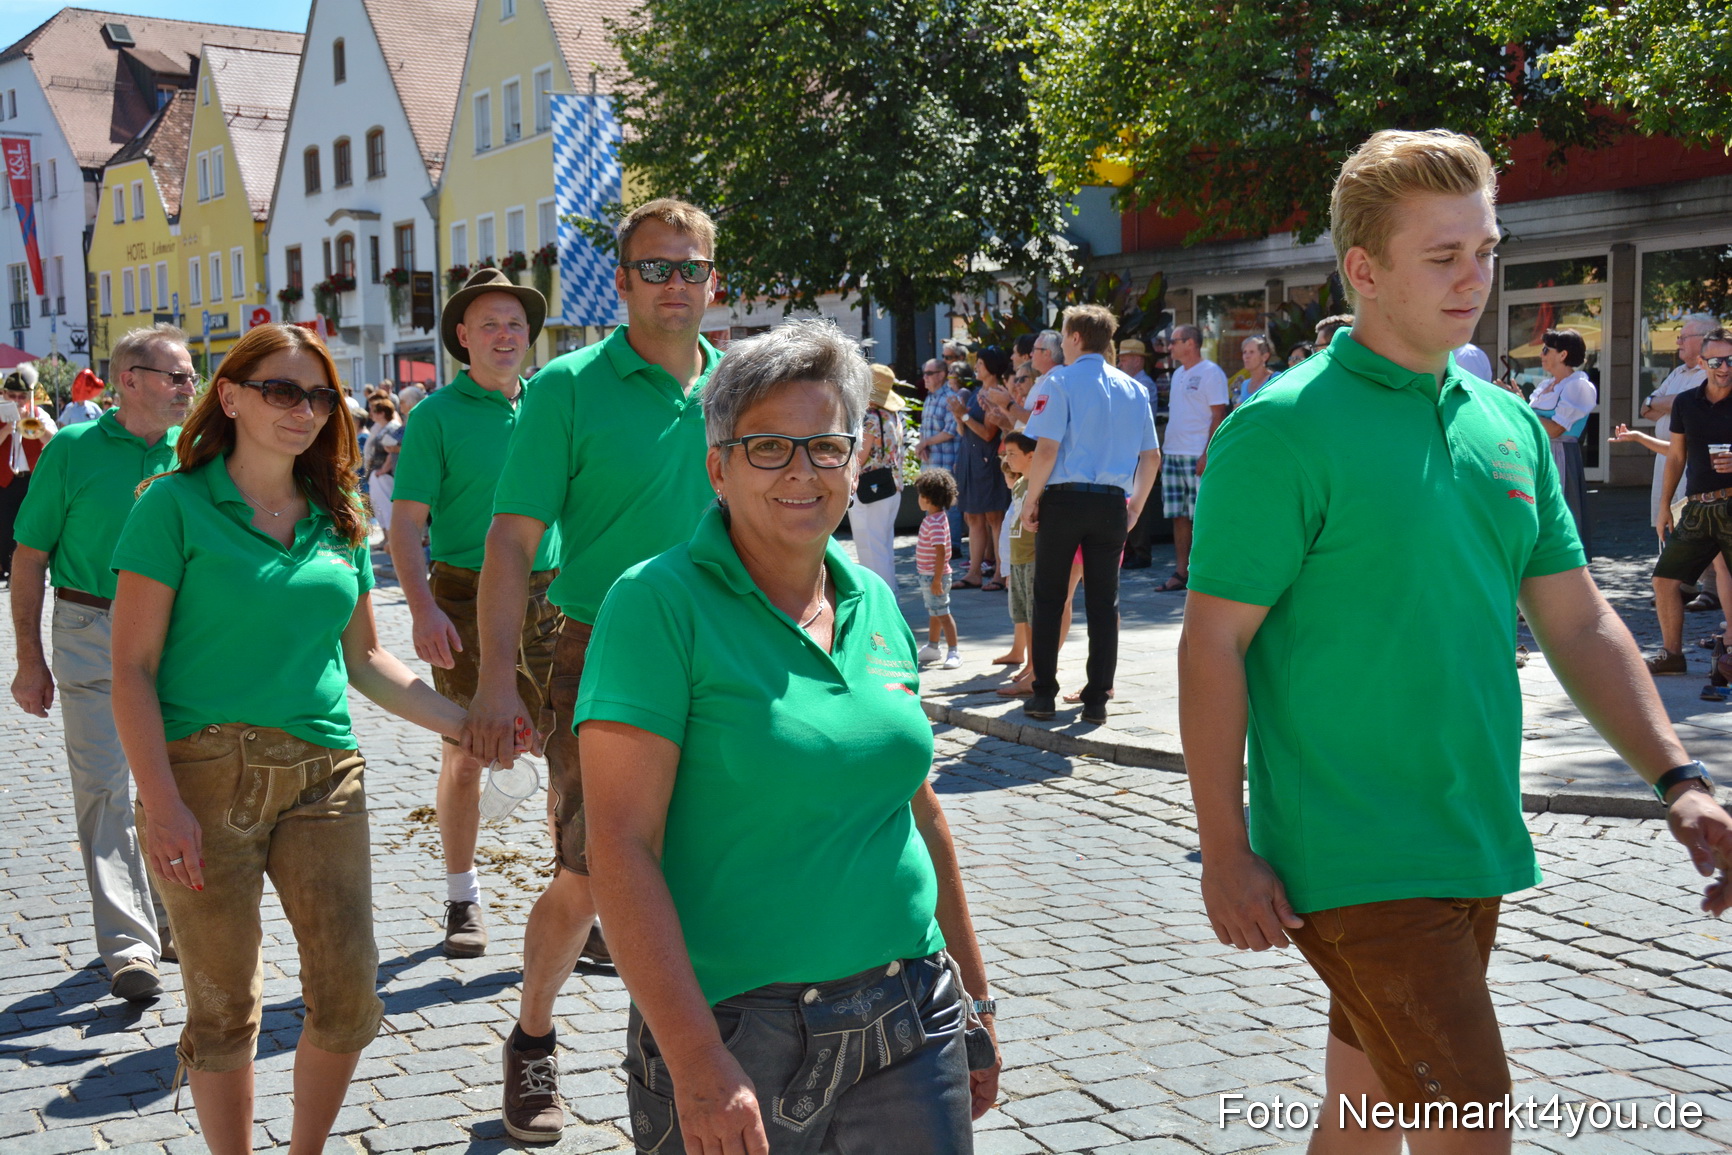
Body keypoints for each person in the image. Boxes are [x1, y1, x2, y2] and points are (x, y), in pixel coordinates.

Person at [1181, 129, 1732, 1147]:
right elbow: (1210, 646)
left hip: (1470, 835)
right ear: (1363, 270)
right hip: (1353, 853)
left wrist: (1677, 775)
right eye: (1442, 256)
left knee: (1360, 1115)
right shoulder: (1280, 430)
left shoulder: (1508, 424)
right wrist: (1223, 848)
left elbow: (1577, 618)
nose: (1475, 277)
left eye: (1484, 248)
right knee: (1469, 1131)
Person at [578, 320, 999, 1154]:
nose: (802, 471)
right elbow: (620, 846)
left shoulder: (875, 600)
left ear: (856, 459)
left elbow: (918, 813)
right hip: (740, 1033)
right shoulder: (656, 606)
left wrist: (976, 1000)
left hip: (911, 1013)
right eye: (768, 446)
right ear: (718, 467)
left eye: (826, 445)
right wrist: (696, 1058)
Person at [109, 323, 474, 1155]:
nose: (303, 409)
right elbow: (130, 669)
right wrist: (160, 803)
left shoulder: (339, 515)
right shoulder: (172, 504)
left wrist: (469, 728)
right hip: (201, 776)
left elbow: (368, 662)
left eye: (316, 395)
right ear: (230, 396)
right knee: (224, 1003)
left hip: (324, 776)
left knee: (348, 994)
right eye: (280, 389)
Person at [461, 198, 723, 1144]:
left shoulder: (738, 387)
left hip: (726, 653)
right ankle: (532, 1034)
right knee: (594, 871)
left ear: (712, 280)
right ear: (620, 282)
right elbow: (510, 539)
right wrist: (496, 680)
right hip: (599, 654)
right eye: (655, 267)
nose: (674, 283)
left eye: (690, 267)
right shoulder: (566, 387)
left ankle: (695, 1045)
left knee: (719, 857)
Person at [9, 324, 193, 1001]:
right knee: (104, 786)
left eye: (190, 375)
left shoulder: (199, 451)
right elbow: (29, 557)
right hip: (91, 625)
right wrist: (30, 659)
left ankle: (174, 917)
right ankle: (129, 943)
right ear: (130, 379)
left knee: (180, 782)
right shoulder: (72, 450)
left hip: (183, 631)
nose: (189, 386)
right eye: (175, 375)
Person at [390, 267, 562, 957]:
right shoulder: (436, 415)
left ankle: (574, 896)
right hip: (462, 592)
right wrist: (423, 607)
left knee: (568, 752)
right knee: (466, 752)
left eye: (515, 325)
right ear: (462, 337)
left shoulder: (552, 402)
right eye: (489, 324)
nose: (504, 335)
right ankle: (463, 898)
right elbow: (405, 526)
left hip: (553, 593)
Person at [1021, 304, 1161, 722]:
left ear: (1077, 337)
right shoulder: (1133, 388)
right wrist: (1134, 506)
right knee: (1104, 602)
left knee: (1049, 596)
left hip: (1064, 499)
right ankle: (1097, 698)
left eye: (1064, 336)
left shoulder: (1059, 380)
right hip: (1110, 503)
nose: (1062, 343)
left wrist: (1031, 499)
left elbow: (1046, 449)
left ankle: (1043, 693)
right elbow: (1151, 457)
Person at [1648, 328, 1732, 675]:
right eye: (1716, 361)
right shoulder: (1686, 402)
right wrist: (1664, 506)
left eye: (1730, 360)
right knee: (1664, 580)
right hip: (1697, 506)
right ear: (1702, 362)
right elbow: (1676, 457)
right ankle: (1672, 656)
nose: (1724, 367)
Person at [1157, 324, 1228, 592]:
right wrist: (1165, 452)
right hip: (1174, 454)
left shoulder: (1211, 373)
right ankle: (1180, 572)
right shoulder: (1177, 375)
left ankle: (1206, 572)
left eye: (1174, 341)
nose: (1170, 346)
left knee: (1203, 515)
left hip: (1197, 455)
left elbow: (1219, 415)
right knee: (1178, 516)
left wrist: (1207, 453)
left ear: (1191, 344)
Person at [1528, 327, 1597, 554]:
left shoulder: (1577, 385)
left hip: (1559, 456)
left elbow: (1555, 429)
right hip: (1538, 454)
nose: (1542, 354)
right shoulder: (1545, 386)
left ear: (1563, 355)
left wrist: (1521, 410)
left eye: (1546, 349)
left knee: (1557, 512)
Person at [948, 349, 1011, 589]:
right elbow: (965, 430)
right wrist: (958, 415)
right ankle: (974, 571)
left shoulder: (995, 395)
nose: (977, 367)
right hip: (969, 457)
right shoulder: (976, 393)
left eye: (982, 363)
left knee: (995, 516)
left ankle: (999, 573)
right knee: (972, 516)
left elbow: (987, 433)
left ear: (992, 367)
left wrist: (963, 416)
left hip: (987, 460)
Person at [0, 365, 59, 582]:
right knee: (5, 528)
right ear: (3, 394)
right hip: (4, 480)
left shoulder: (37, 413)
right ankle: (8, 568)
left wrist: (31, 424)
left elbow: (54, 442)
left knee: (32, 526)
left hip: (32, 479)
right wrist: (8, 428)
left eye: (22, 396)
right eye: (12, 395)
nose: (17, 400)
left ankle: (34, 568)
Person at [851, 363, 906, 589]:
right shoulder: (893, 416)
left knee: (870, 549)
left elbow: (860, 458)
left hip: (869, 489)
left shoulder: (870, 419)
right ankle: (890, 596)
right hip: (892, 486)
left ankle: (881, 601)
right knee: (884, 547)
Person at [994, 432, 1039, 689]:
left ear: (1031, 456)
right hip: (1018, 559)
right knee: (1023, 616)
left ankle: (1035, 666)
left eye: (1012, 454)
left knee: (1035, 618)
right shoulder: (1020, 484)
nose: (1007, 459)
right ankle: (1028, 665)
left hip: (1032, 557)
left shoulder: (1038, 484)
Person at [915, 467, 961, 669]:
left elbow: (941, 552)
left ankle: (954, 651)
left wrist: (936, 579)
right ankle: (933, 646)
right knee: (934, 611)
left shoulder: (934, 522)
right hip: (929, 576)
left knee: (942, 612)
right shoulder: (935, 518)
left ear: (928, 498)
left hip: (934, 577)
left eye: (920, 495)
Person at [363, 395, 403, 551]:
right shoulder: (379, 428)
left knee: (387, 508)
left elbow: (391, 451)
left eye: (374, 411)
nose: (371, 414)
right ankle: (387, 540)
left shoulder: (392, 428)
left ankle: (391, 541)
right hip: (377, 473)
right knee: (380, 508)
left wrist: (384, 469)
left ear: (382, 413)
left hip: (384, 475)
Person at [1233, 334, 1278, 405]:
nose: (1246, 356)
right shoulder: (1245, 384)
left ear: (1265, 357)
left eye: (1251, 352)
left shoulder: (1275, 379)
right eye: (1245, 352)